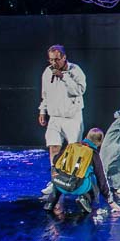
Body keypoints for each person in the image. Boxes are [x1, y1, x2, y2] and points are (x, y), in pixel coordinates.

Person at [39, 44, 87, 196]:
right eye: (51, 60)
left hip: (72, 117)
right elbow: (45, 94)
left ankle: (72, 180)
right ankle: (55, 180)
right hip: (55, 117)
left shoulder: (75, 70)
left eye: (56, 59)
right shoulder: (47, 72)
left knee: (74, 150)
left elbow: (80, 90)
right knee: (53, 147)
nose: (53, 63)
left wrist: (63, 77)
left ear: (64, 57)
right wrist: (42, 111)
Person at [44, 128, 120, 215]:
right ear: (100, 142)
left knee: (60, 170)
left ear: (86, 137)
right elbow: (101, 179)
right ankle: (85, 198)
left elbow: (55, 161)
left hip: (59, 184)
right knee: (94, 177)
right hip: (78, 187)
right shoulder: (93, 154)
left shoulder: (70, 146)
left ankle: (52, 200)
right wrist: (110, 201)